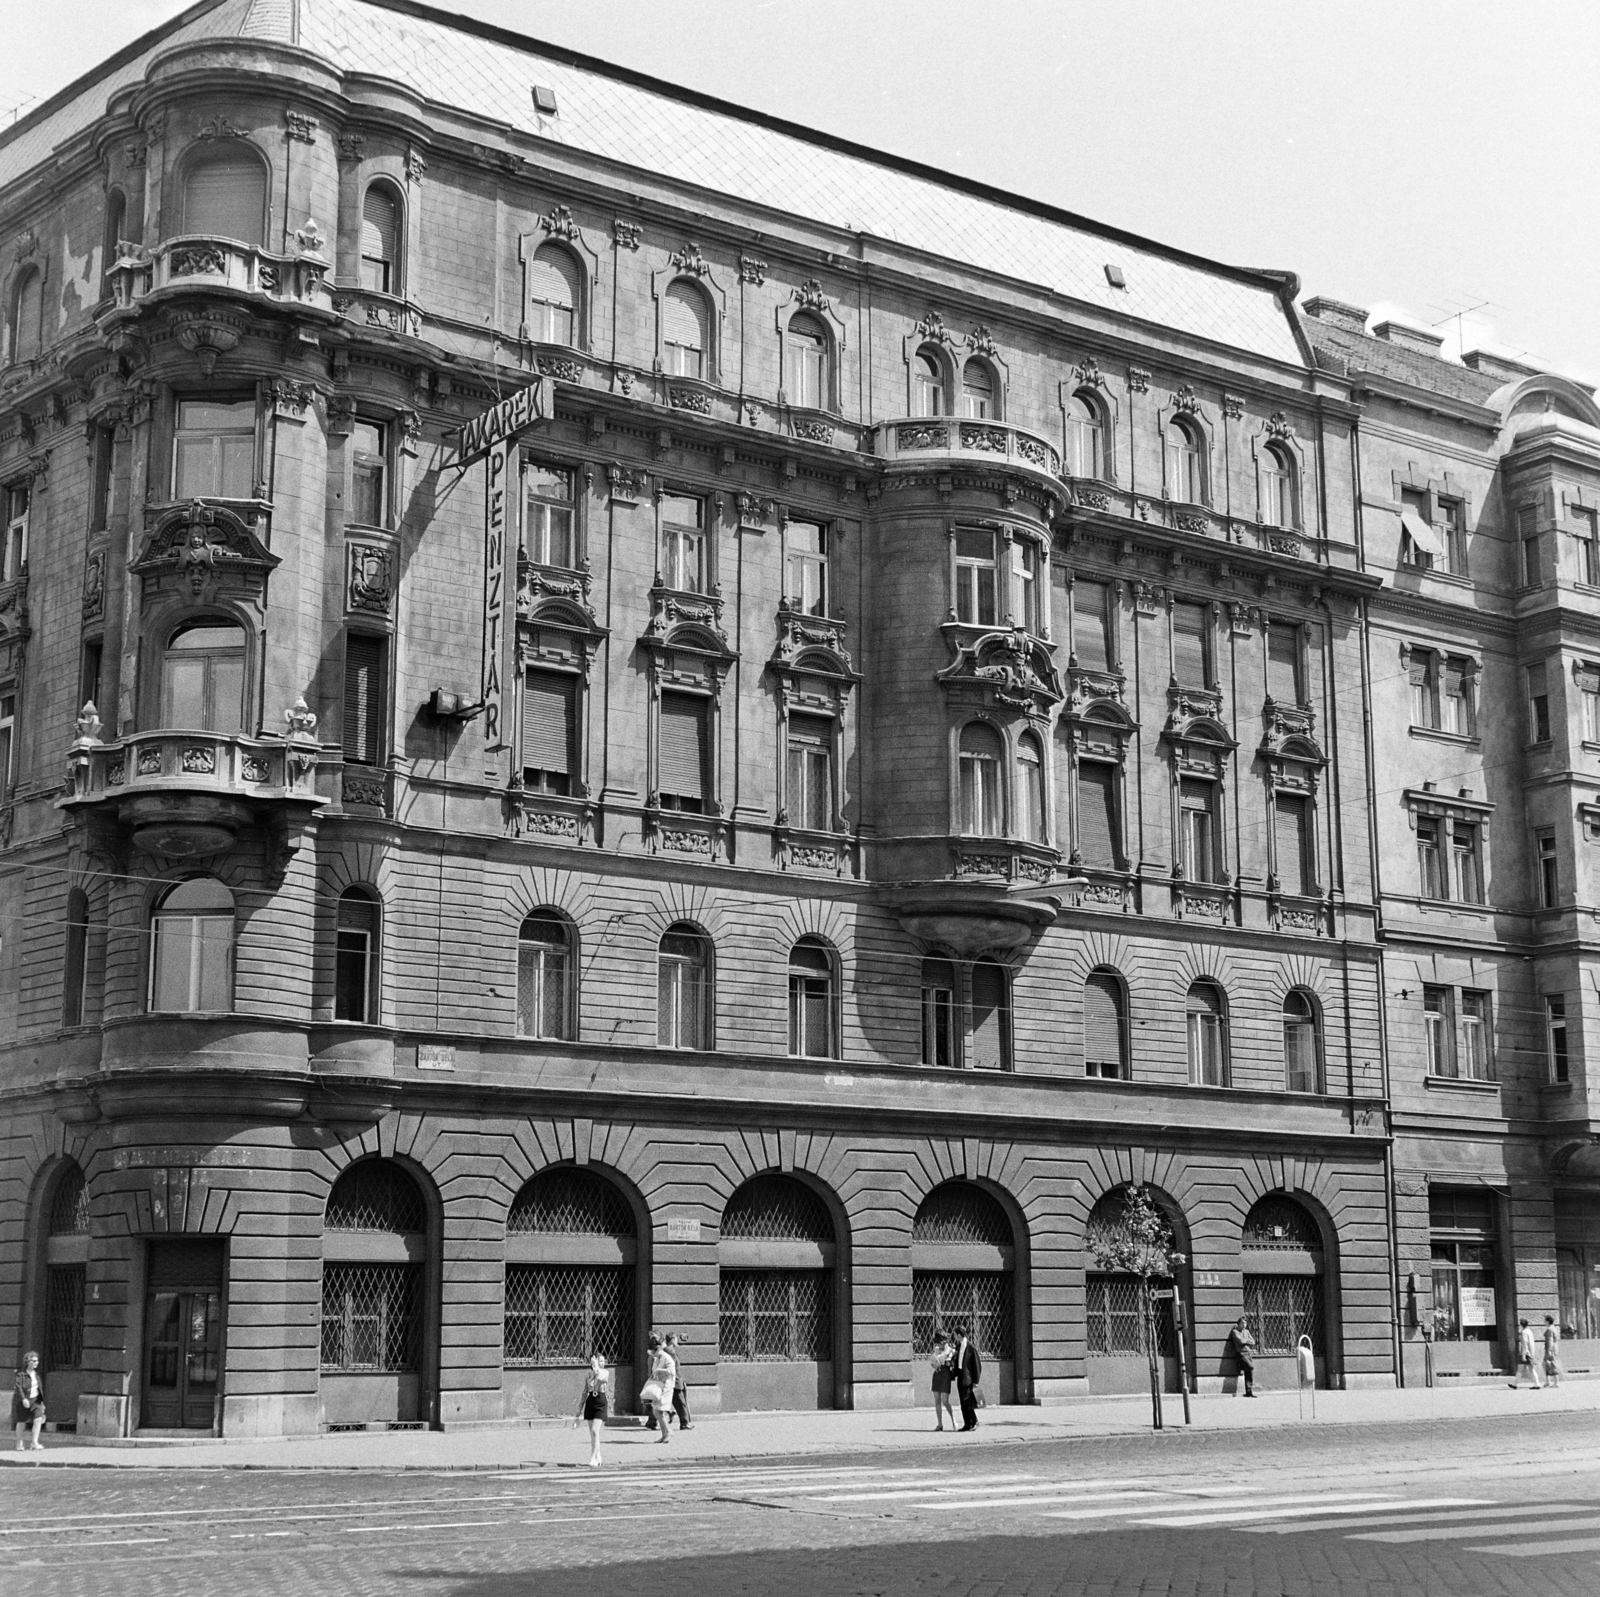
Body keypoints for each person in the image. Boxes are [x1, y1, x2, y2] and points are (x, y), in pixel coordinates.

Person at [572, 1353, 608, 1466]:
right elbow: (584, 1392)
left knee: (595, 1430)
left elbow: (601, 1378)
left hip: (600, 1401)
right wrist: (579, 1410)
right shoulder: (588, 1375)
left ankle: (593, 1458)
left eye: (602, 1361)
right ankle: (598, 1456)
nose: (601, 1363)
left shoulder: (605, 1372)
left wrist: (597, 1366)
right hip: (590, 1401)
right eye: (598, 1361)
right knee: (593, 1434)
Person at [640, 1332, 675, 1444]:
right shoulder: (657, 1358)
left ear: (659, 1348)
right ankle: (665, 1434)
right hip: (658, 1387)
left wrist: (659, 1372)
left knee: (658, 1412)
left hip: (665, 1388)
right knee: (656, 1411)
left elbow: (671, 1372)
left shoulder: (667, 1358)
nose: (653, 1354)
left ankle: (667, 1433)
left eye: (654, 1351)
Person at [951, 1321, 982, 1432]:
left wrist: (976, 1381)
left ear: (959, 1335)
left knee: (968, 1402)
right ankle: (967, 1423)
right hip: (960, 1378)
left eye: (955, 1335)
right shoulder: (959, 1346)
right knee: (963, 1402)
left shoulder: (970, 1347)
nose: (954, 1337)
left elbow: (977, 1365)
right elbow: (957, 1363)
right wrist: (952, 1374)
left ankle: (974, 1421)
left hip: (968, 1379)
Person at [12, 1350, 45, 1451]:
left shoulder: (37, 1375)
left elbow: (39, 1388)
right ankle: (19, 1442)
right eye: (34, 1361)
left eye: (37, 1361)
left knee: (38, 1419)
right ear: (27, 1362)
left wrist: (42, 1403)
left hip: (36, 1401)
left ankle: (34, 1442)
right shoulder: (21, 1374)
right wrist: (23, 1399)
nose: (36, 1363)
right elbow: (19, 1387)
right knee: (21, 1422)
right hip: (24, 1400)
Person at [929, 1327, 957, 1431]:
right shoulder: (936, 1350)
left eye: (939, 1343)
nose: (937, 1346)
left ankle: (953, 1419)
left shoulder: (950, 1350)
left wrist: (945, 1361)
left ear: (944, 1342)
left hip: (945, 1375)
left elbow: (951, 1363)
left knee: (945, 1401)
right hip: (937, 1374)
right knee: (937, 1400)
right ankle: (940, 1424)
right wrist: (934, 1364)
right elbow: (932, 1362)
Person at [665, 1333, 693, 1430]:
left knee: (660, 1402)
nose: (677, 1341)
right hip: (674, 1381)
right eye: (676, 1339)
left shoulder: (667, 1350)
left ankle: (651, 1422)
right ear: (672, 1340)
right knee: (681, 1403)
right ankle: (684, 1423)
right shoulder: (670, 1351)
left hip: (670, 1380)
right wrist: (678, 1379)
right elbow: (672, 1367)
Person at [1227, 1316, 1258, 1397]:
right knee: (1251, 1367)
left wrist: (1246, 1341)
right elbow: (1240, 1341)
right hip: (1241, 1353)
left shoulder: (1246, 1332)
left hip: (1248, 1353)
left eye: (1245, 1323)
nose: (1244, 1325)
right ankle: (1240, 1366)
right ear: (1238, 1323)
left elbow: (1253, 1342)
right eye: (1242, 1323)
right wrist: (1247, 1341)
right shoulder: (1235, 1332)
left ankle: (1249, 1392)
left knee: (1249, 1372)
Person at [1510, 1318, 1543, 1389]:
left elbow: (1524, 1344)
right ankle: (1515, 1384)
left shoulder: (1524, 1332)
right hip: (1531, 1353)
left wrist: (1523, 1355)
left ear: (1521, 1325)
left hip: (1526, 1353)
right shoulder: (1529, 1331)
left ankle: (1516, 1384)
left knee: (1523, 1369)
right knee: (1528, 1369)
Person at [1544, 1314, 1563, 1388]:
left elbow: (1550, 1340)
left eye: (1545, 1321)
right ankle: (1548, 1381)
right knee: (1547, 1364)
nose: (1544, 1322)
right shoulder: (1554, 1328)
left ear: (1548, 1321)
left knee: (1552, 1364)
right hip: (1554, 1348)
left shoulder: (1550, 1329)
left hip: (1550, 1349)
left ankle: (1556, 1382)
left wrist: (1549, 1350)